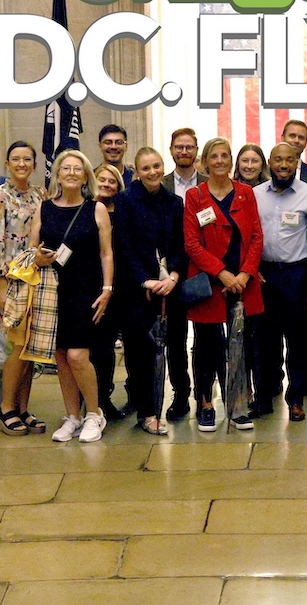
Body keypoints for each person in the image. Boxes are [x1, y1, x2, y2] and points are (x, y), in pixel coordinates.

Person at [30, 149, 116, 443]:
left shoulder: (96, 209)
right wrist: (37, 257)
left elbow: (106, 252)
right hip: (52, 291)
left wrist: (107, 289)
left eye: (77, 169)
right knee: (61, 356)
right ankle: (73, 416)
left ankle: (94, 413)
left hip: (86, 290)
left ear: (85, 176)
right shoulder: (44, 208)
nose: (71, 173)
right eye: (65, 168)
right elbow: (32, 249)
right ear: (57, 174)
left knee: (78, 355)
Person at [182, 137, 265, 432]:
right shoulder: (195, 195)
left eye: (224, 156)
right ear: (205, 162)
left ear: (231, 161)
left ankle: (239, 403)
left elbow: (256, 237)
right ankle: (205, 404)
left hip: (242, 283)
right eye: (213, 156)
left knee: (243, 345)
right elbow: (191, 243)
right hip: (209, 282)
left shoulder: (245, 193)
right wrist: (221, 273)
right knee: (206, 346)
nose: (219, 161)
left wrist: (244, 274)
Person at [252, 143, 307, 421]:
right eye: (278, 160)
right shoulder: (255, 195)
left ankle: (296, 399)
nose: (283, 165)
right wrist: (251, 269)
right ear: (269, 163)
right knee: (264, 341)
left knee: (299, 342)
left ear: (297, 162)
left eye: (289, 160)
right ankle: (263, 397)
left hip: (297, 275)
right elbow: (248, 237)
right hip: (264, 276)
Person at [115, 147, 187, 435]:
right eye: (146, 168)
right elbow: (124, 246)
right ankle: (146, 411)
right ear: (137, 171)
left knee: (175, 346)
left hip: (170, 288)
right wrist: (144, 281)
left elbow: (180, 244)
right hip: (137, 290)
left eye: (156, 166)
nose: (153, 172)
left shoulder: (174, 202)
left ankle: (177, 400)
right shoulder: (125, 200)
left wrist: (174, 276)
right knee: (140, 352)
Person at [0, 141, 49, 436]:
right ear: (6, 164)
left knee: (29, 349)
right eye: (16, 159)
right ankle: (6, 407)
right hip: (8, 284)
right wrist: (1, 286)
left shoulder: (40, 194)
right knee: (13, 347)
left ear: (34, 164)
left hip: (35, 281)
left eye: (27, 159)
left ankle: (23, 408)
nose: (22, 164)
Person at [162, 127, 202, 419]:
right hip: (171, 271)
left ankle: (205, 394)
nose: (184, 151)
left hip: (203, 269)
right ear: (171, 150)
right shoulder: (160, 184)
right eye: (179, 147)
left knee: (206, 336)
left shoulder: (210, 183)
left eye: (189, 147)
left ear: (196, 150)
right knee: (175, 339)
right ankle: (180, 394)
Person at [89, 162, 129, 418]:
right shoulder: (84, 208)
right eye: (101, 179)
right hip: (89, 283)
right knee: (89, 347)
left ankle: (104, 397)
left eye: (111, 181)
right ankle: (88, 399)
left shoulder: (124, 211)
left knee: (106, 347)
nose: (106, 184)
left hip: (119, 286)